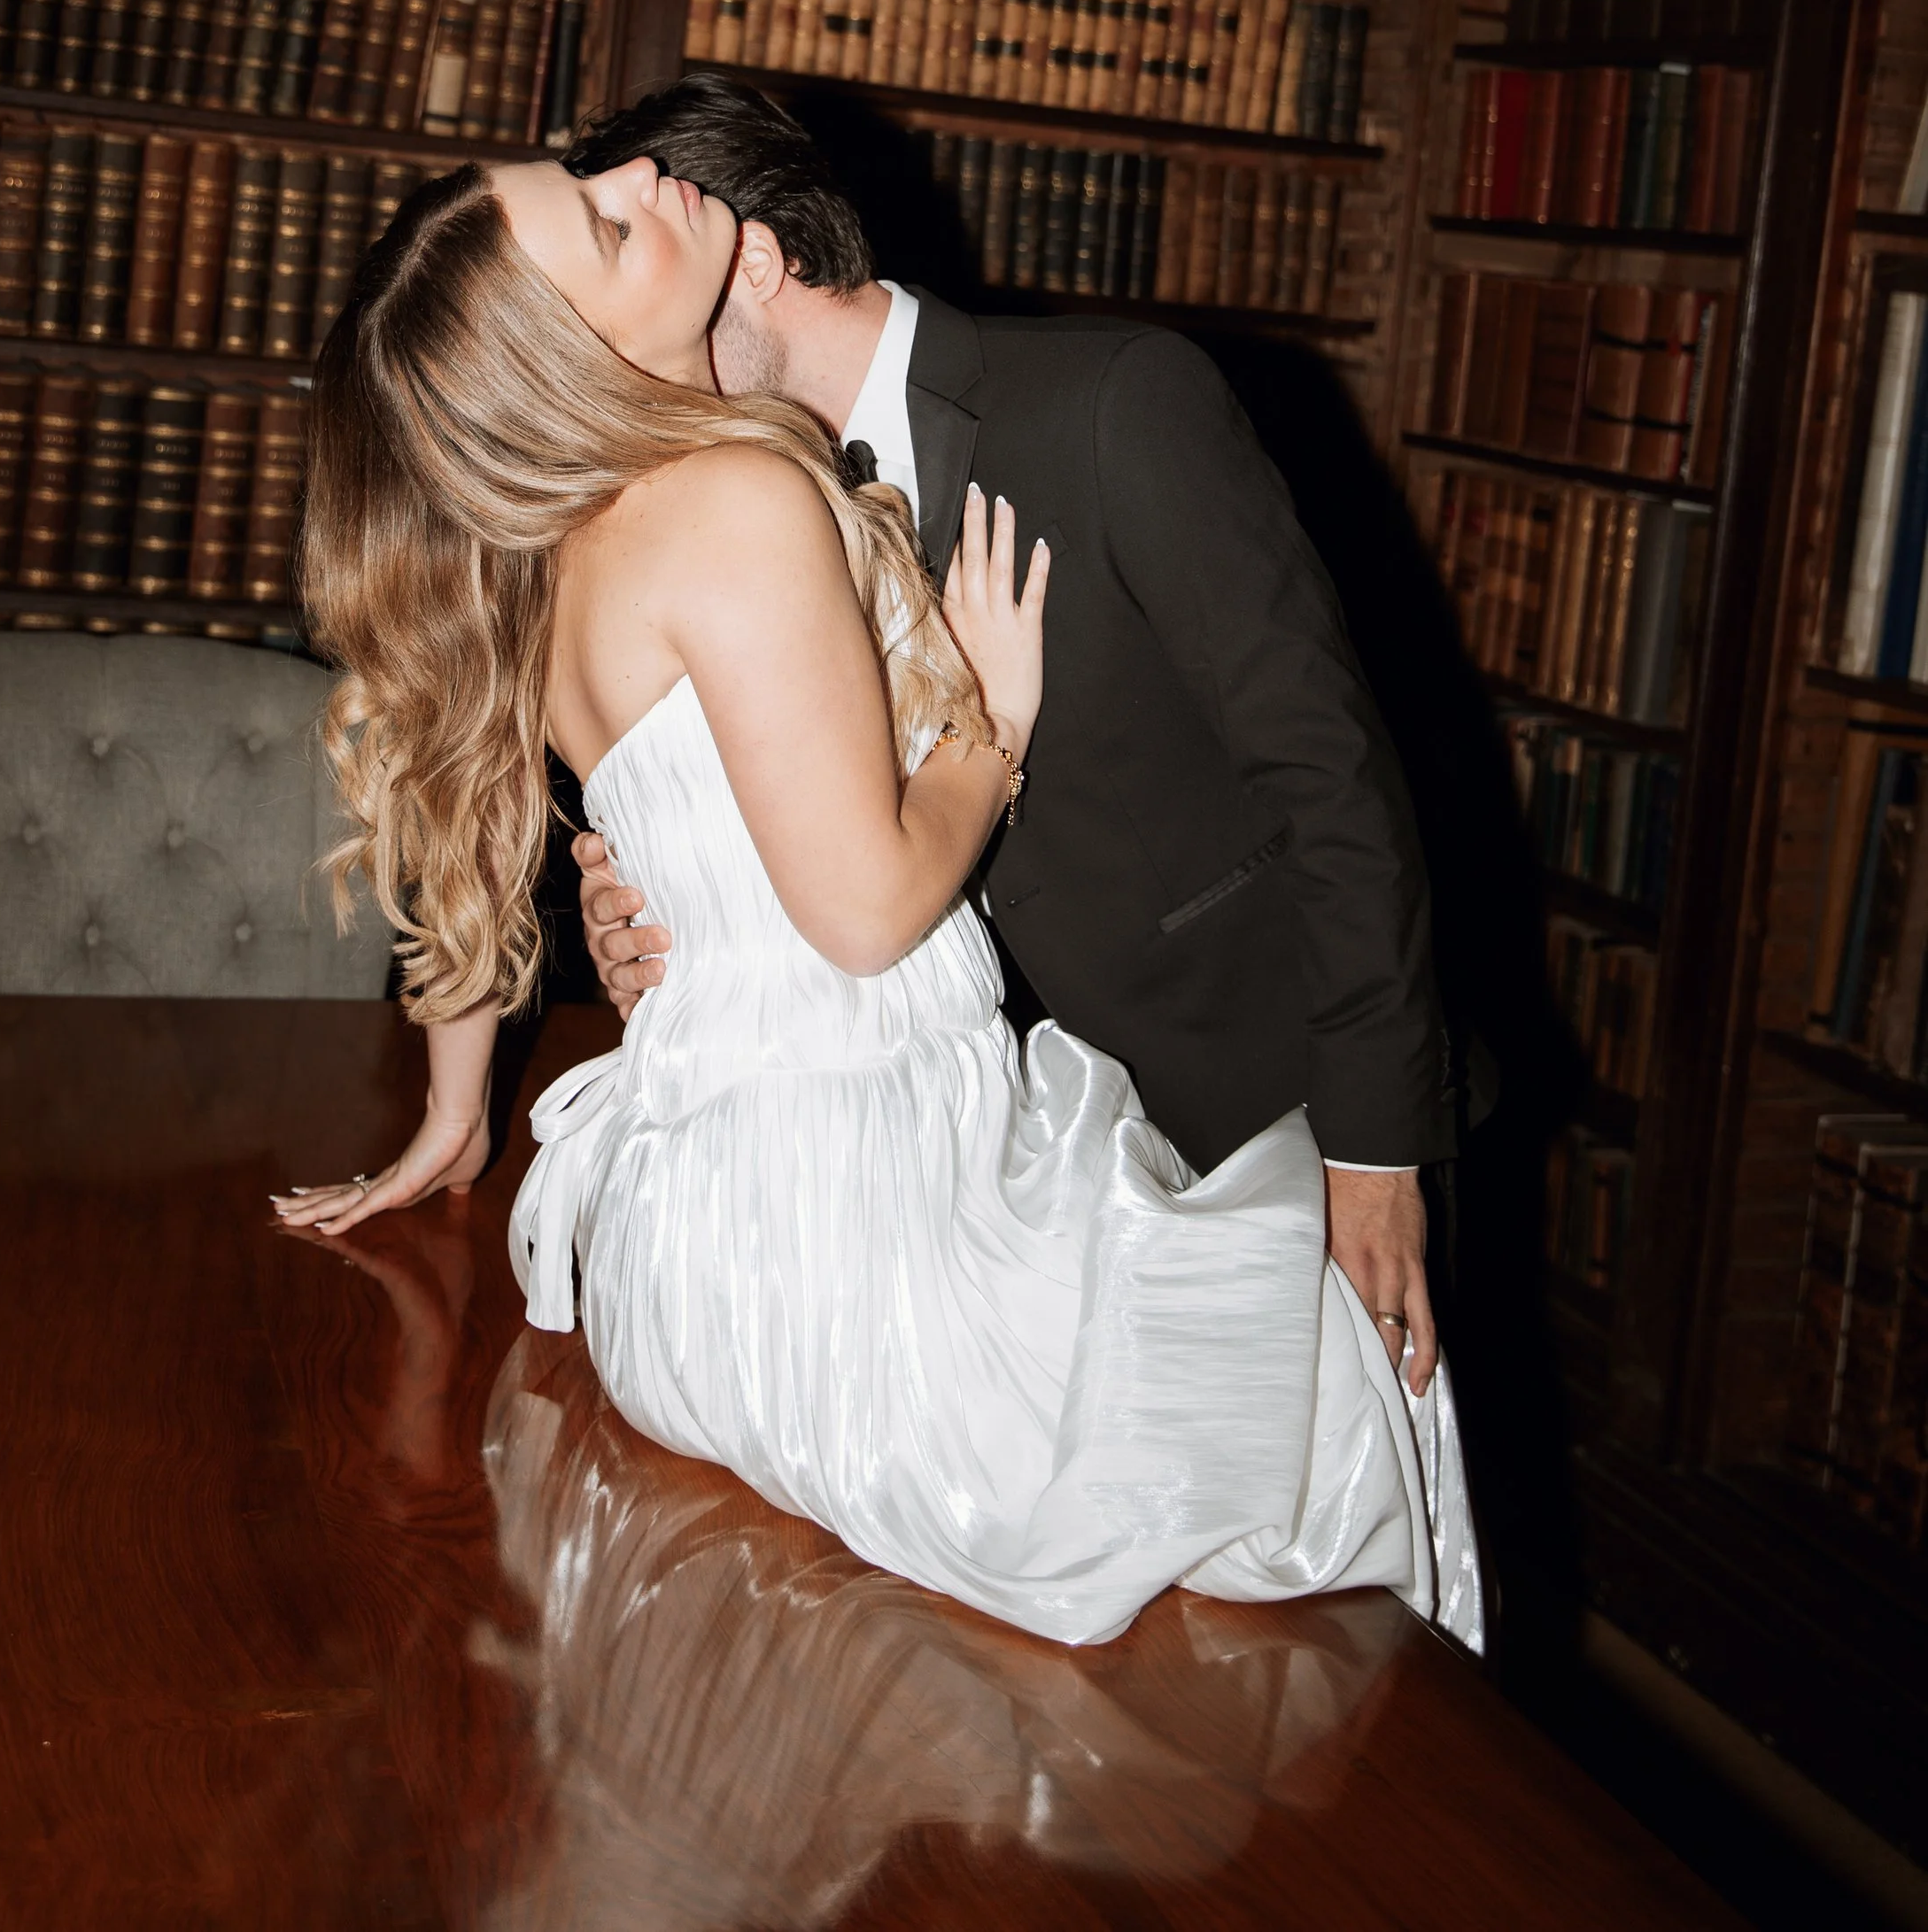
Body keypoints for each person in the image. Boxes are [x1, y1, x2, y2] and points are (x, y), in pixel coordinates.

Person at [275, 151, 1481, 1650]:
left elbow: (478, 827)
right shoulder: (732, 497)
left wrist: (457, 1112)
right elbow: (862, 913)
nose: (642, 175)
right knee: (1317, 1414)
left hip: (695, 1236)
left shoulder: (543, 555)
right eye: (606, 221)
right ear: (568, 356)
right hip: (858, 1223)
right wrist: (995, 724)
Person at [566, 74, 1455, 1386]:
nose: (604, 354)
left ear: (749, 261)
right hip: (961, 1188)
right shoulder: (703, 515)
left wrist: (1373, 1150)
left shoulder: (1115, 399)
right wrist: (658, 916)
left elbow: (1331, 772)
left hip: (1257, 1125)